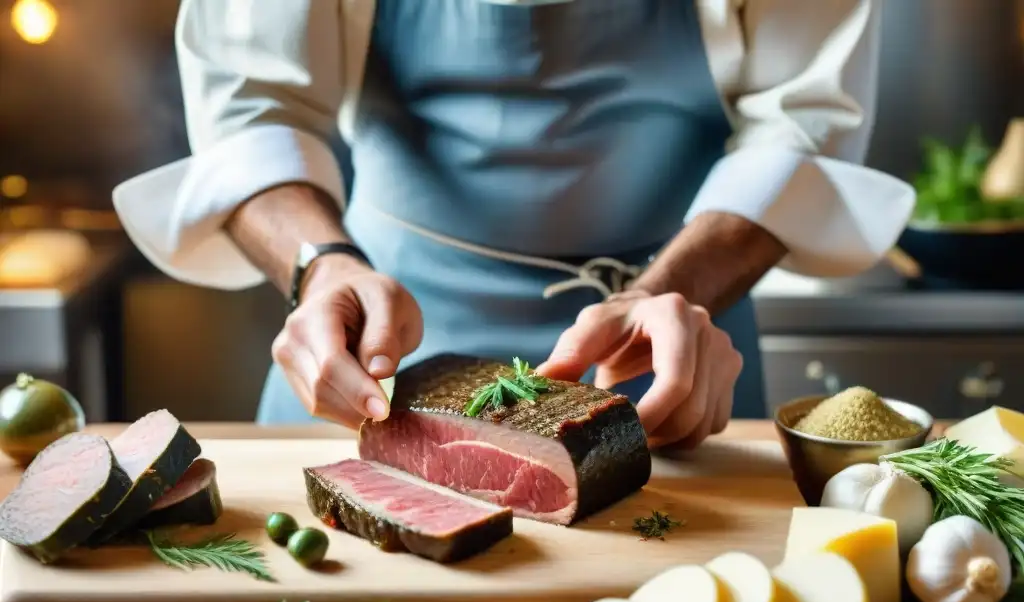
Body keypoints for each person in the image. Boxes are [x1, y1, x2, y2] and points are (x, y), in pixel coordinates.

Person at [113, 0, 914, 448]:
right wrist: (322, 268)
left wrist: (667, 292)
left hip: (672, 352)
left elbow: (802, 125)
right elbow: (253, 108)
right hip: (378, 360)